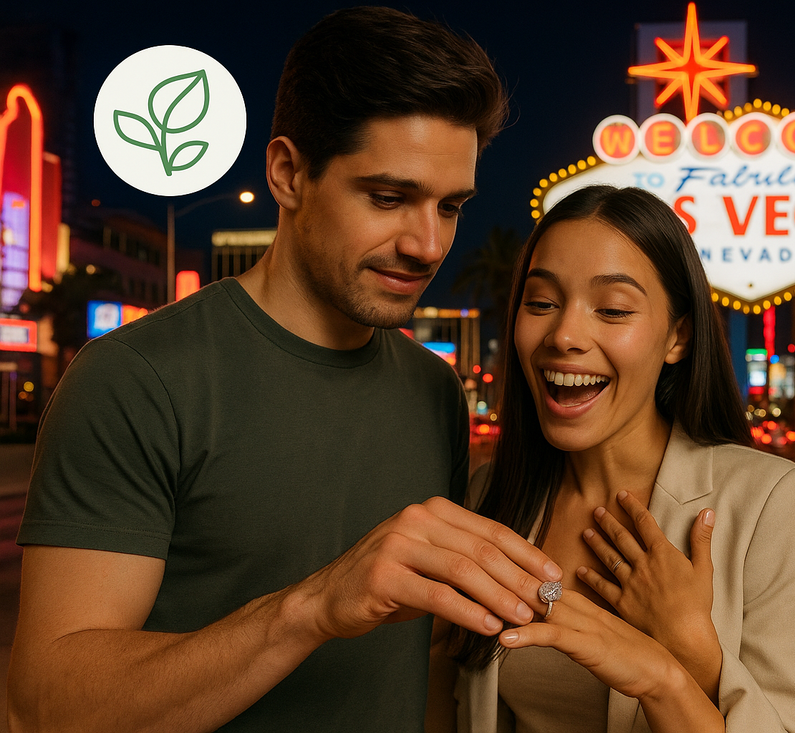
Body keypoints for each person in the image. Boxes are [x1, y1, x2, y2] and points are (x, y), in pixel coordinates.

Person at [8, 7, 563, 733]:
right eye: (388, 197)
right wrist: (314, 606)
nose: (428, 245)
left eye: (450, 206)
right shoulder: (137, 379)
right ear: (288, 173)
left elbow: (418, 669)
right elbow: (42, 709)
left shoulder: (434, 391)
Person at [429, 185, 795, 732]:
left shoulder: (775, 506)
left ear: (678, 336)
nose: (565, 334)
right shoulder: (491, 496)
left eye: (614, 309)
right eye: (542, 303)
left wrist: (678, 666)